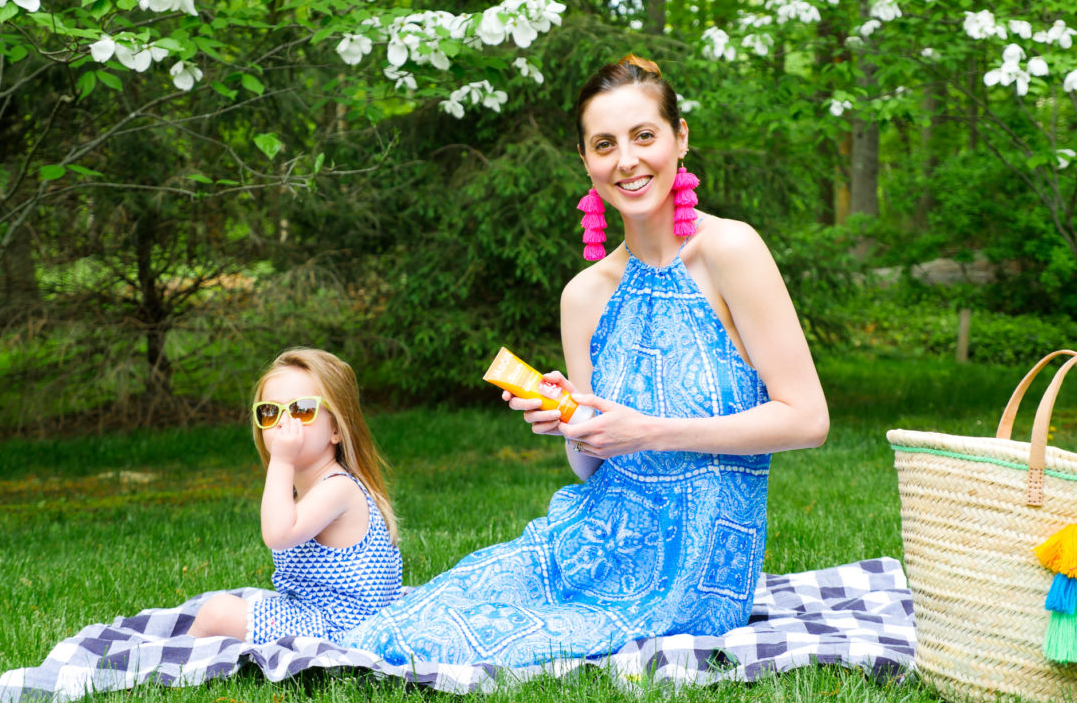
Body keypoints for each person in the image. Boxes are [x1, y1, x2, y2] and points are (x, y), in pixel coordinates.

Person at [338, 54, 828, 665]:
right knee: (415, 621)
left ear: (680, 138)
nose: (627, 160)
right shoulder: (585, 294)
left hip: (696, 574)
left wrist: (647, 431)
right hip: (590, 535)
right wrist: (576, 426)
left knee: (448, 645)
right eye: (605, 144)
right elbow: (588, 467)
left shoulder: (729, 250)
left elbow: (807, 420)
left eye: (644, 136)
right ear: (586, 161)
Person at [189, 348, 401, 643]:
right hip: (314, 612)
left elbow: (278, 534)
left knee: (217, 612)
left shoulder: (338, 487)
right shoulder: (310, 487)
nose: (283, 423)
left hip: (344, 630)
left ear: (336, 430)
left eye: (302, 409)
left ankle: (181, 661)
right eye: (270, 411)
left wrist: (281, 461)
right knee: (221, 606)